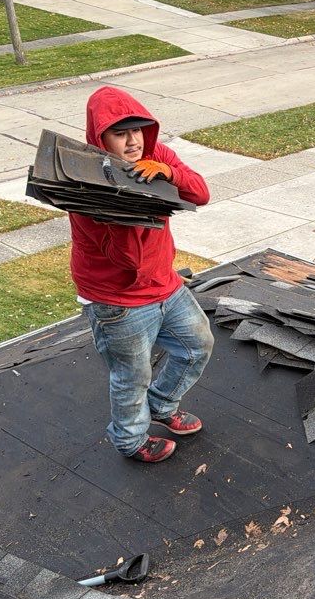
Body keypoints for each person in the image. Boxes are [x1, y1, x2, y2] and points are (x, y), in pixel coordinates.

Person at [73, 86, 213, 463]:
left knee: (197, 345)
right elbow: (128, 260)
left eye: (138, 129)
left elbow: (200, 193)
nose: (133, 140)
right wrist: (135, 206)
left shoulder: (154, 155)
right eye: (121, 133)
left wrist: (167, 173)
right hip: (118, 298)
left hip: (164, 283)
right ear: (100, 137)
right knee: (131, 377)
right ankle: (130, 440)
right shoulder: (84, 183)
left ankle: (163, 405)